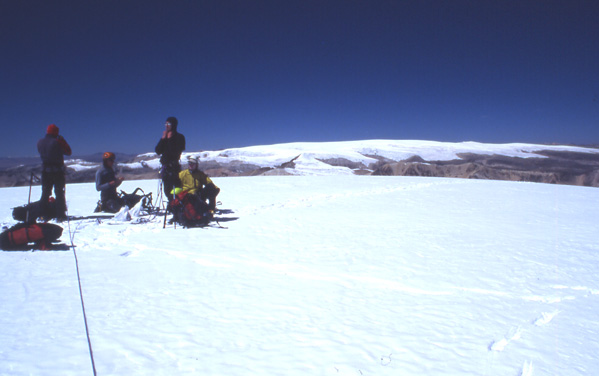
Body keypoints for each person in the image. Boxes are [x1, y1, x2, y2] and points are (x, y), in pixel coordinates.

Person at [37, 124, 71, 219]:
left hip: (45, 171)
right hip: (57, 171)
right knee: (59, 193)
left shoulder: (40, 142)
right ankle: (60, 215)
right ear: (56, 132)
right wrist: (62, 141)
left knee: (45, 192)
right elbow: (68, 152)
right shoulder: (57, 142)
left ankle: (42, 214)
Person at [155, 116, 185, 202]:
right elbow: (158, 150)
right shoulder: (164, 138)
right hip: (166, 168)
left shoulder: (180, 137)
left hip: (174, 168)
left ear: (174, 125)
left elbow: (175, 151)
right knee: (167, 190)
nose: (166, 125)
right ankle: (172, 205)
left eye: (168, 123)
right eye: (166, 123)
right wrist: (163, 139)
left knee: (177, 189)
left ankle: (178, 206)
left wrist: (170, 139)